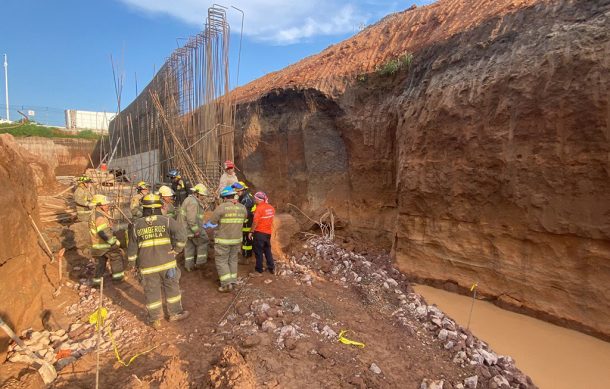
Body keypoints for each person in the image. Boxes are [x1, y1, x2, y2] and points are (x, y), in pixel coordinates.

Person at [127, 193, 189, 329]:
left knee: (151, 291)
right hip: (167, 264)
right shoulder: (167, 221)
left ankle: (155, 320)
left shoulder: (136, 225)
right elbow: (182, 235)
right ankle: (175, 313)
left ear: (144, 208)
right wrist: (177, 250)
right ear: (158, 207)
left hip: (147, 267)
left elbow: (131, 248)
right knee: (172, 288)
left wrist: (131, 264)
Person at [209, 186, 247, 292]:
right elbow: (244, 218)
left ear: (224, 198)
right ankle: (233, 282)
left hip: (223, 240)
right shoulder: (242, 207)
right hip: (236, 240)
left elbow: (212, 222)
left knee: (222, 261)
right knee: (233, 260)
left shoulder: (221, 207)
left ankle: (226, 284)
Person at [89, 194, 125, 286]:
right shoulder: (100, 217)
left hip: (96, 245)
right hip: (104, 245)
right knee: (116, 257)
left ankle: (97, 282)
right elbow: (104, 233)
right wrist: (114, 243)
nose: (107, 206)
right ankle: (118, 278)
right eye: (105, 204)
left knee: (100, 264)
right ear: (99, 205)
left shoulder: (95, 214)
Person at [178, 183, 209, 271]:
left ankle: (189, 266)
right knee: (204, 241)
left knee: (189, 247)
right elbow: (191, 220)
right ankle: (200, 263)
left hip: (184, 230)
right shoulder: (193, 203)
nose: (204, 197)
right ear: (197, 193)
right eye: (202, 195)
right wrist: (196, 231)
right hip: (190, 229)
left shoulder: (188, 199)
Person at [250, 191, 276, 274]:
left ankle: (259, 269)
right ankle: (271, 267)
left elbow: (255, 222)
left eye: (255, 199)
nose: (254, 200)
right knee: (267, 250)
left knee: (258, 251)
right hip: (268, 233)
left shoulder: (259, 208)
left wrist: (251, 231)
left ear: (259, 199)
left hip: (259, 233)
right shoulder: (271, 208)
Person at [232, 181, 255, 261]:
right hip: (247, 221)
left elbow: (245, 213)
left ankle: (246, 257)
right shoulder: (244, 196)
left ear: (243, 190)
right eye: (236, 191)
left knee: (246, 240)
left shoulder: (247, 199)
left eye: (238, 191)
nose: (237, 193)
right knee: (246, 239)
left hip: (248, 222)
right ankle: (247, 255)